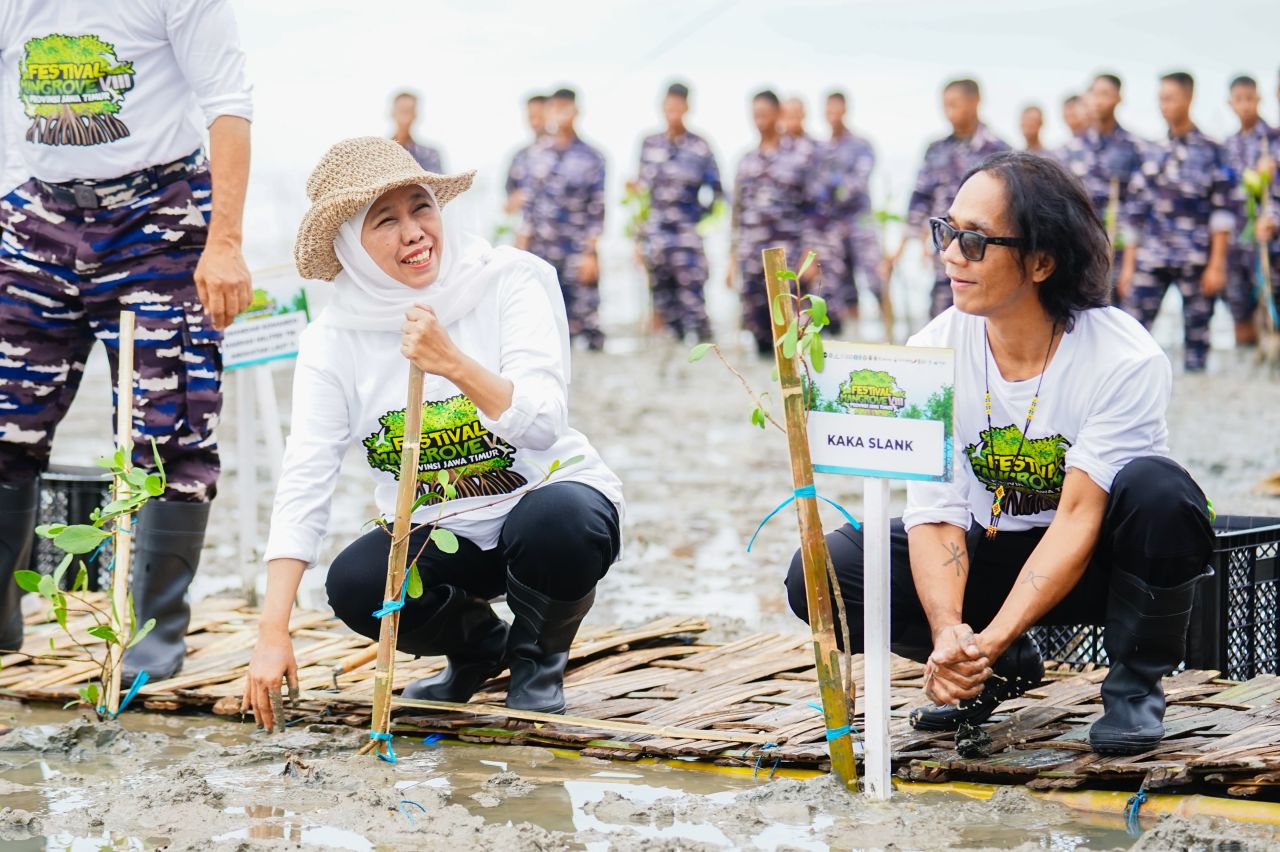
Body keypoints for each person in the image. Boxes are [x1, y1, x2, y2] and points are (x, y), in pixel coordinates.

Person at [785, 151, 1214, 756]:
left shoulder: (1124, 359)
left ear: (1041, 261)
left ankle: (1133, 688)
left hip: (1096, 563)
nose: (951, 254)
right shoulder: (931, 350)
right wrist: (952, 636)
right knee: (828, 572)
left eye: (976, 242)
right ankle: (998, 669)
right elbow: (936, 512)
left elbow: (1076, 518)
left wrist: (994, 630)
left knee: (1161, 491)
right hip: (990, 550)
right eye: (947, 231)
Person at [244, 137, 624, 730]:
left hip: (544, 509)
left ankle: (536, 664)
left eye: (421, 207)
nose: (414, 232)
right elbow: (305, 476)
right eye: (385, 221)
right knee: (357, 582)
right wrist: (271, 632)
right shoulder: (334, 338)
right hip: (443, 536)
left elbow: (546, 421)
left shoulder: (510, 280)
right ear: (350, 245)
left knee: (560, 519)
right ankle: (477, 649)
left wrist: (454, 362)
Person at [0, 0, 253, 684]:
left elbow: (228, 104)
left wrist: (223, 244)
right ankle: (1, 614)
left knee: (168, 426)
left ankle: (155, 629)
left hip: (158, 213)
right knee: (7, 418)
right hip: (38, 213)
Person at [1118, 72, 1233, 372]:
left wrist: (1217, 264)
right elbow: (1135, 212)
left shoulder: (1212, 150)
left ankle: (1198, 398)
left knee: (1197, 342)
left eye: (1170, 98)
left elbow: (1222, 213)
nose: (1164, 106)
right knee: (1131, 335)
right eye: (1160, 99)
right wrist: (1129, 266)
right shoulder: (1151, 150)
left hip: (1195, 260)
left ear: (1189, 98)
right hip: (1151, 257)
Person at [892, 79, 1010, 319]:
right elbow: (920, 198)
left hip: (981, 252)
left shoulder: (999, 150)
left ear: (975, 101)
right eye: (945, 105)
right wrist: (906, 245)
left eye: (954, 104)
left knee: (981, 316)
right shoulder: (936, 149)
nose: (948, 112)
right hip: (945, 248)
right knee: (941, 313)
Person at [730, 90, 820, 354]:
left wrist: (812, 255)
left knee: (792, 328)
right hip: (752, 257)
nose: (759, 121)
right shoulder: (746, 161)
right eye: (755, 115)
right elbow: (737, 213)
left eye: (764, 115)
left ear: (778, 114)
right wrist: (732, 259)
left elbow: (815, 209)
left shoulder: (801, 155)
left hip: (788, 257)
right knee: (757, 327)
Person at [633, 82, 724, 343]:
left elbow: (718, 195)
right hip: (656, 241)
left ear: (687, 107)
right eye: (667, 107)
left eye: (677, 107)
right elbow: (641, 198)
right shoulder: (648, 144)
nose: (672, 113)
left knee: (694, 307)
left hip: (687, 243)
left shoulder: (700, 147)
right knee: (662, 309)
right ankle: (670, 366)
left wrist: (698, 224)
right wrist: (638, 241)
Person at [520, 88, 607, 351]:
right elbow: (529, 205)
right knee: (544, 321)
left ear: (577, 111)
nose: (561, 115)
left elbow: (598, 208)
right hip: (542, 250)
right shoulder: (535, 154)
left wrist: (591, 253)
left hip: (577, 251)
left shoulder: (592, 156)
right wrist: (522, 248)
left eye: (566, 108)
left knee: (587, 322)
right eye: (556, 108)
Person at [1060, 73, 1143, 293]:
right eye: (1094, 94)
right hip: (1080, 252)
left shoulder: (1133, 147)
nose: (1098, 100)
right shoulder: (1071, 149)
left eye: (1105, 94)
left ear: (1118, 98)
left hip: (1120, 251)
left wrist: (1129, 266)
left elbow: (1136, 209)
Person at [816, 91, 882, 323]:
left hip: (860, 222)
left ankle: (894, 336)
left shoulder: (861, 145)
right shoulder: (820, 149)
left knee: (876, 280)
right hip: (834, 226)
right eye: (829, 110)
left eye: (837, 109)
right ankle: (855, 338)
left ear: (845, 110)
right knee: (844, 288)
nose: (833, 115)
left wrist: (832, 191)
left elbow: (857, 183)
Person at [1224, 75, 1278, 347]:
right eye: (1239, 100)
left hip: (1270, 241)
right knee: (1239, 308)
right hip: (1237, 244)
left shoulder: (1273, 141)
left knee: (1271, 306)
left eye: (1250, 99)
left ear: (1259, 99)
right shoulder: (1227, 145)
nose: (1245, 105)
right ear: (1230, 103)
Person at [505, 94, 547, 216]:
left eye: (540, 117)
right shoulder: (520, 157)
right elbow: (508, 207)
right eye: (531, 117)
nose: (535, 122)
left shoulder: (571, 156)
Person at [390, 91, 444, 173]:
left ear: (415, 114)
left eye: (408, 111)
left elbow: (438, 183)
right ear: (393, 113)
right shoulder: (378, 152)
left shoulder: (429, 155)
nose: (405, 116)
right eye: (401, 110)